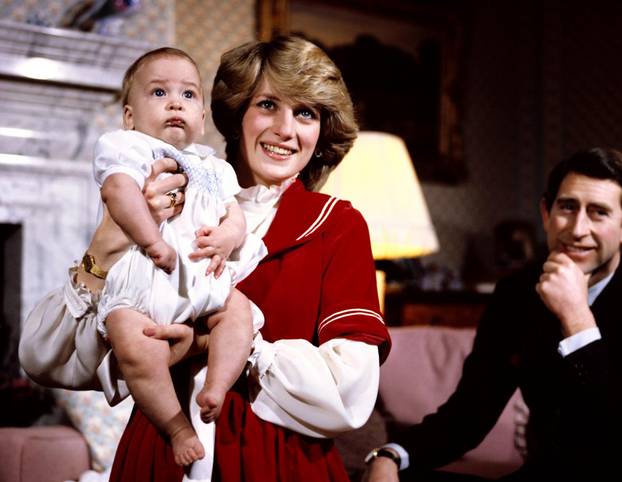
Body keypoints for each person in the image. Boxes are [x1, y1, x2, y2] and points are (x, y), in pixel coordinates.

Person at [19, 35, 391, 482]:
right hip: (157, 458)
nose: (286, 130)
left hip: (276, 465)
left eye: (306, 113)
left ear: (322, 130)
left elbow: (348, 397)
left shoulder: (336, 226)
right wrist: (109, 240)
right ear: (238, 114)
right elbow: (44, 359)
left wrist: (217, 344)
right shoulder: (155, 199)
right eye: (268, 105)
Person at [25, 47, 268, 473]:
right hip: (144, 282)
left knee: (239, 312)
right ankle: (177, 427)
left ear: (203, 118)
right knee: (130, 338)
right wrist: (152, 238)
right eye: (159, 92)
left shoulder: (216, 168)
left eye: (188, 95)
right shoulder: (127, 147)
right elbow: (118, 194)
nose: (176, 102)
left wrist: (228, 237)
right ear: (130, 116)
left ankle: (216, 387)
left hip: (203, 279)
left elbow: (235, 218)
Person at [364, 147, 622, 482]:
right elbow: (469, 415)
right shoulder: (517, 292)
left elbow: (611, 430)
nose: (577, 229)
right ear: (546, 213)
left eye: (598, 213)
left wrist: (577, 318)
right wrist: (390, 455)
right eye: (567, 207)